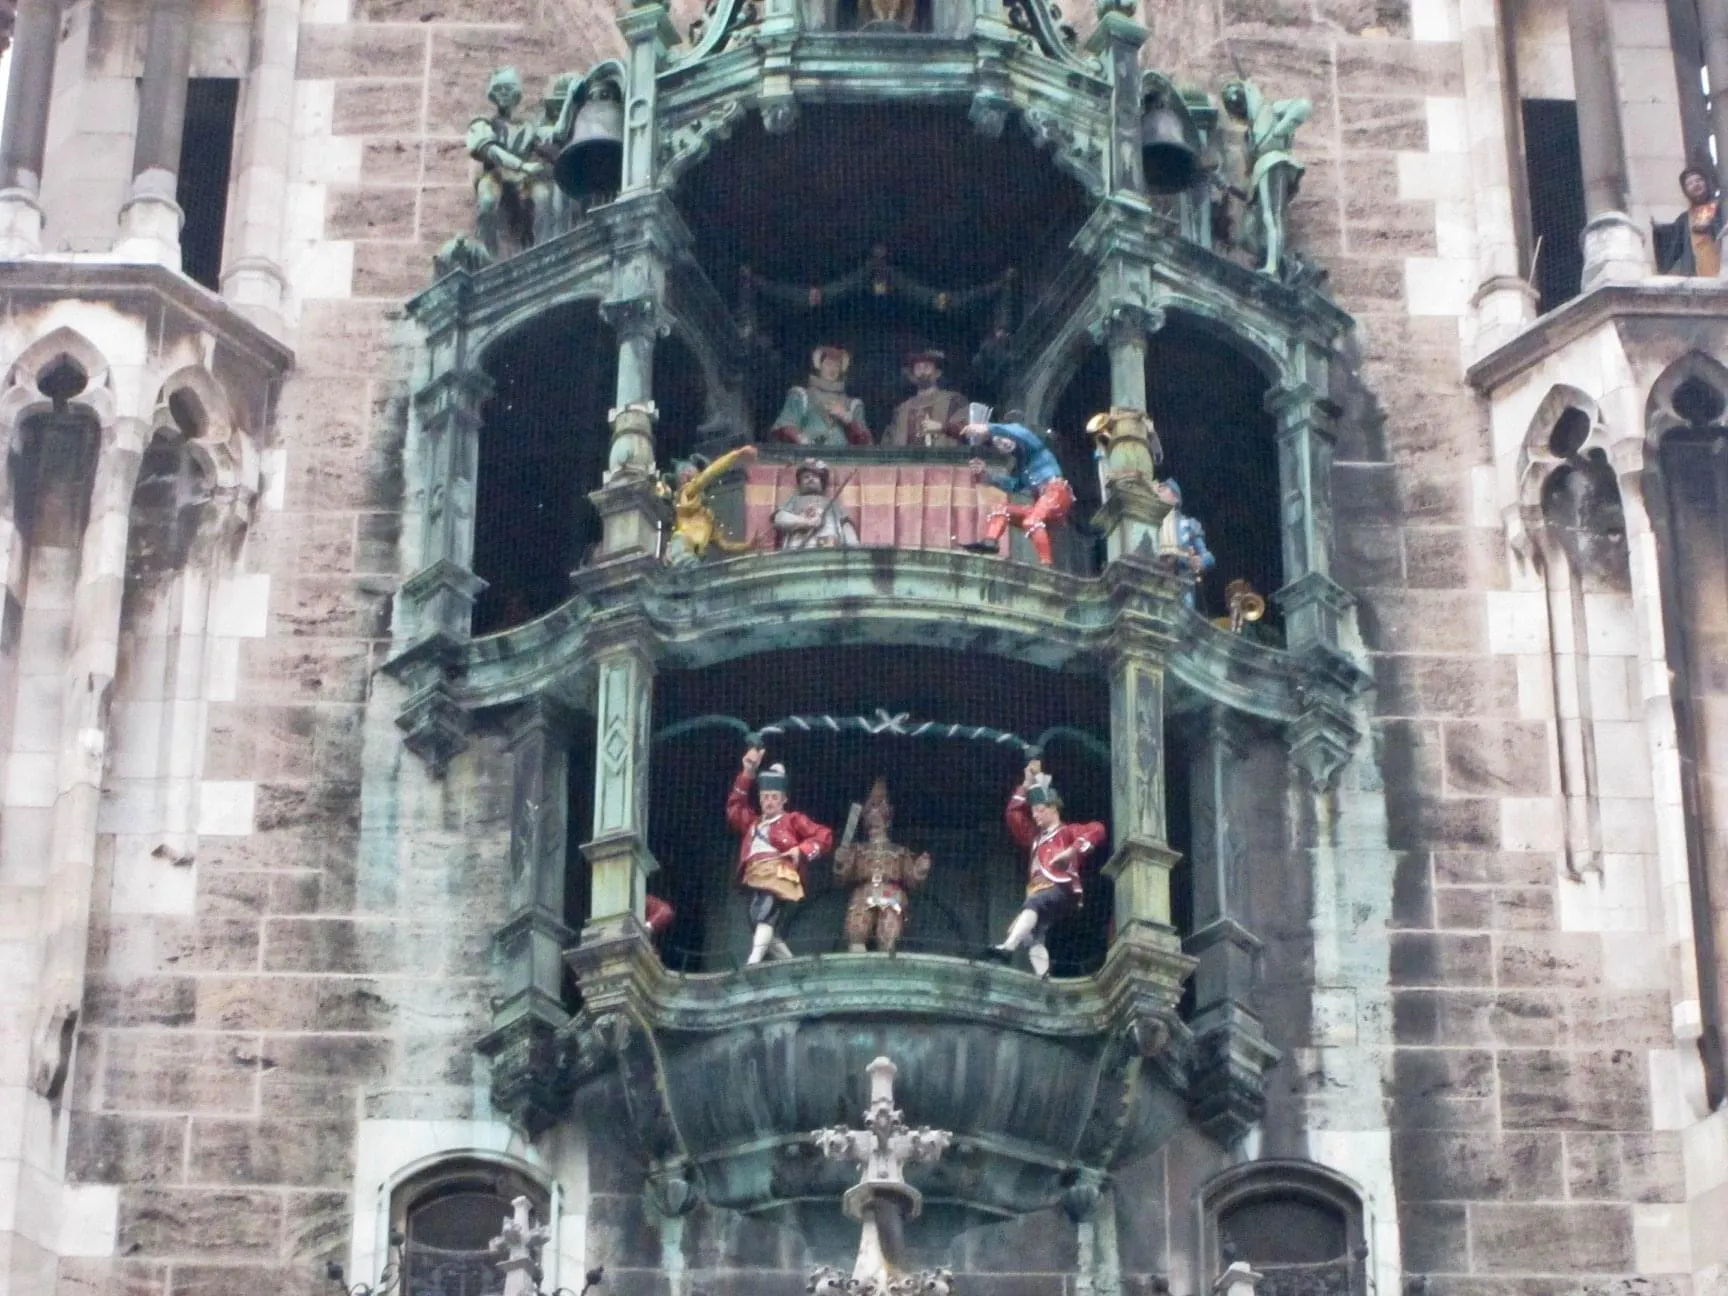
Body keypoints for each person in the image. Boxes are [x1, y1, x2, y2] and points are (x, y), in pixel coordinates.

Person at [986, 761, 1106, 979]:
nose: (1036, 816)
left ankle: (1008, 948)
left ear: (1053, 809)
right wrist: (1026, 783)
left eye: (1040, 810)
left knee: (1033, 904)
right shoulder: (1035, 837)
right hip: (1039, 889)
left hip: (1059, 887)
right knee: (1033, 935)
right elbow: (1013, 814)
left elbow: (1097, 829)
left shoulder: (1067, 832)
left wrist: (1072, 851)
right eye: (1033, 812)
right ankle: (1044, 975)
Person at [725, 746, 834, 964]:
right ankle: (790, 963)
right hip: (755, 874)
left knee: (766, 912)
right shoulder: (754, 822)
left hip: (778, 872)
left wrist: (801, 851)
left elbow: (824, 836)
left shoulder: (792, 819)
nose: (769, 802)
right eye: (765, 797)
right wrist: (747, 774)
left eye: (774, 797)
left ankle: (754, 960)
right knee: (758, 922)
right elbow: (734, 810)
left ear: (784, 799)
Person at [833, 779, 932, 953]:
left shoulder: (899, 851)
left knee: (888, 932)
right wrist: (840, 863)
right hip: (864, 892)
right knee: (857, 930)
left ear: (887, 820)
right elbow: (841, 878)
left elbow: (912, 880)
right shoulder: (857, 849)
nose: (874, 818)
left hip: (890, 892)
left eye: (879, 814)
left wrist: (920, 870)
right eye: (870, 812)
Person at [959, 419, 1075, 566]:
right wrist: (986, 475)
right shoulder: (1022, 469)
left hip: (1056, 493)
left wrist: (989, 429)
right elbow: (1013, 485)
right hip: (1044, 504)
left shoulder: (1035, 448)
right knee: (1002, 509)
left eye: (1003, 438)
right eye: (998, 444)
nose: (1003, 443)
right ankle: (990, 541)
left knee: (1031, 520)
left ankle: (1046, 563)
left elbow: (1020, 431)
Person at [467, 67, 545, 258]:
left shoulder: (528, 127)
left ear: (516, 92)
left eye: (507, 88)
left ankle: (539, 247)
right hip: (495, 176)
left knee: (542, 198)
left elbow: (550, 142)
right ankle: (489, 253)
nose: (503, 93)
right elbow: (490, 150)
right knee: (486, 202)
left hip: (523, 180)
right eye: (498, 89)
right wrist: (522, 165)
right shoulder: (483, 124)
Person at [661, 444, 757, 564]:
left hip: (694, 555)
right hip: (682, 548)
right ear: (685, 477)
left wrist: (748, 546)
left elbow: (724, 545)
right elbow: (709, 473)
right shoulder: (687, 492)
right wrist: (736, 454)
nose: (699, 477)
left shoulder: (707, 516)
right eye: (695, 473)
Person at [770, 347, 873, 447]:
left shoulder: (852, 405)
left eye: (837, 366)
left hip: (843, 461)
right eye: (828, 364)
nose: (832, 370)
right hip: (808, 459)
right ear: (819, 366)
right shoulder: (801, 396)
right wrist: (804, 441)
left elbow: (866, 443)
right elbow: (784, 426)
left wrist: (847, 419)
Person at [773, 459, 860, 550]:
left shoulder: (833, 503)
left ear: (822, 482)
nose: (810, 479)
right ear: (800, 483)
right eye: (806, 477)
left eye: (815, 476)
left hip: (829, 547)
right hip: (799, 547)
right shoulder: (795, 500)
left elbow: (845, 524)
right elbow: (779, 518)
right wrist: (806, 522)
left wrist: (853, 546)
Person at [886, 351, 968, 447]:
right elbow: (888, 441)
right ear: (912, 375)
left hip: (944, 459)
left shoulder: (953, 400)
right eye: (918, 368)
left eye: (926, 367)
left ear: (938, 373)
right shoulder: (901, 409)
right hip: (906, 461)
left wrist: (942, 428)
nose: (922, 371)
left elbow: (968, 431)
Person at [1654, 166, 1724, 278]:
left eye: (1699, 180)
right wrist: (1658, 231)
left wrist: (1710, 226)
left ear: (1706, 182)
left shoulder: (1721, 208)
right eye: (1690, 183)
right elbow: (1673, 241)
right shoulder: (1685, 218)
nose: (1695, 185)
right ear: (1686, 191)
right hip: (1697, 276)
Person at [1154, 478, 1214, 606]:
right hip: (1155, 580)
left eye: (1163, 489)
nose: (1158, 492)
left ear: (1175, 498)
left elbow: (1208, 556)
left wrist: (1199, 562)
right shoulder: (1150, 524)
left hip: (1181, 581)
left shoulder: (1189, 524)